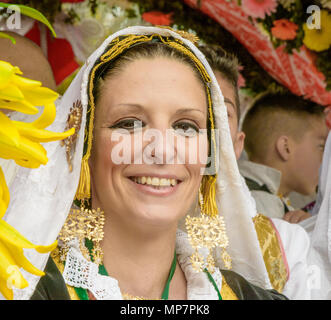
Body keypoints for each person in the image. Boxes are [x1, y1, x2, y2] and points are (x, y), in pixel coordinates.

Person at [3, 26, 288, 300]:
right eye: (129, 124)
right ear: (83, 147)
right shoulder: (23, 289)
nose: (162, 151)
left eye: (186, 126)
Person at [177, 44, 311, 299]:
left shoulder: (287, 243)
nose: (204, 123)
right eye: (186, 112)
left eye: (221, 111)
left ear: (239, 143)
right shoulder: (140, 229)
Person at [239, 93, 328, 222]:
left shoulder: (270, 201)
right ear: (285, 147)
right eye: (321, 146)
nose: (324, 158)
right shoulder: (260, 206)